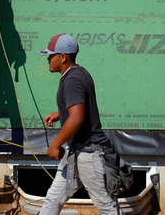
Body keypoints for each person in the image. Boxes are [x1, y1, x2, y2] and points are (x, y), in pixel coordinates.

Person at [38, 34, 123, 215]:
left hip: (89, 154)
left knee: (106, 206)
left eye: (51, 55)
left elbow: (77, 119)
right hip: (77, 152)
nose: (48, 59)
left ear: (63, 57)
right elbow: (77, 109)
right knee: (53, 198)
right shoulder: (78, 73)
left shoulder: (72, 80)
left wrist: (54, 144)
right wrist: (59, 114)